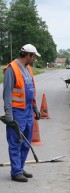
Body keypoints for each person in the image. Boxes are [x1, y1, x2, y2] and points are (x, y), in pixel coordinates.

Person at [3, 44, 41, 182]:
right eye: (34, 56)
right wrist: (8, 113)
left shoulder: (28, 69)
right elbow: (7, 94)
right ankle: (16, 172)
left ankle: (20, 167)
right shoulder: (11, 69)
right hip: (16, 112)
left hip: (28, 110)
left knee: (26, 142)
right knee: (15, 142)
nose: (34, 59)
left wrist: (35, 108)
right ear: (28, 55)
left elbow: (31, 91)